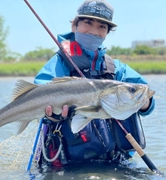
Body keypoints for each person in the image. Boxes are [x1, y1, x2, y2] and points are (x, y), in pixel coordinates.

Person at [34, 0, 155, 167]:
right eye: (88, 23)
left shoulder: (117, 69)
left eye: (102, 27)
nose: (94, 32)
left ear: (107, 33)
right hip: (68, 165)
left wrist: (144, 102)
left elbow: (145, 96)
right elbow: (40, 90)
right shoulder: (59, 63)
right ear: (74, 25)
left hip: (117, 163)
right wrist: (52, 114)